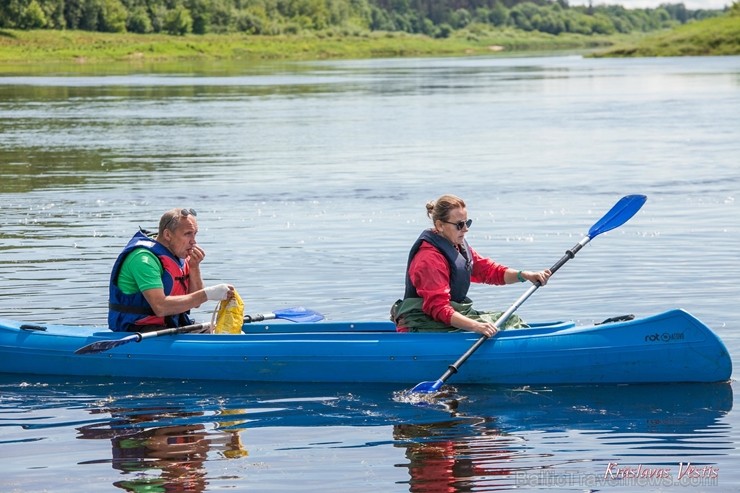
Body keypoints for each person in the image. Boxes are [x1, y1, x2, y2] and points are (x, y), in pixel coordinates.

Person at [391, 194, 551, 336]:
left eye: (467, 223)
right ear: (440, 225)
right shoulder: (429, 259)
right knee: (508, 324)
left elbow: (489, 271)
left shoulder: (456, 246)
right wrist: (476, 326)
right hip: (423, 325)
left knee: (510, 320)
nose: (466, 229)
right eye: (459, 225)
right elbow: (438, 308)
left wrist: (525, 275)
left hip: (444, 319)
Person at [108, 207, 234, 332]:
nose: (193, 241)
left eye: (195, 234)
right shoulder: (144, 259)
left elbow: (196, 304)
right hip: (137, 330)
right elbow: (160, 307)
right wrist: (209, 294)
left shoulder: (178, 253)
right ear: (168, 234)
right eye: (187, 234)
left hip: (170, 326)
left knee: (229, 333)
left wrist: (194, 267)